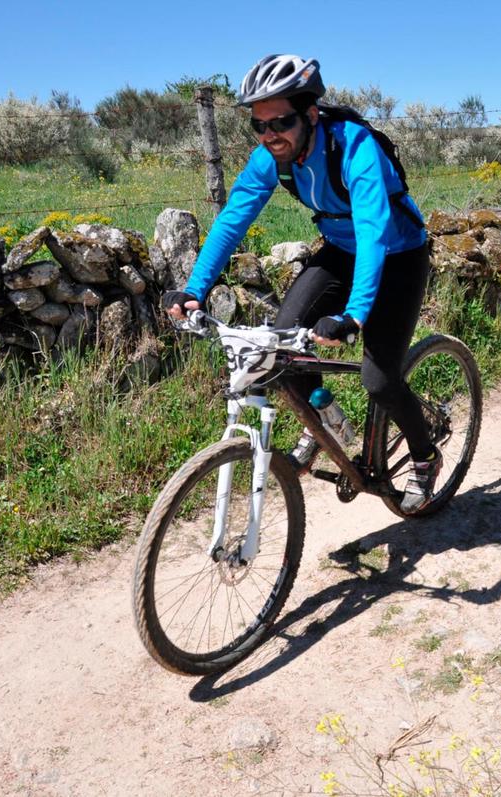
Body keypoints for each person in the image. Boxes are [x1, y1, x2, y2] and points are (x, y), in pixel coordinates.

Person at [163, 53, 440, 512]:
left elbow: (373, 231)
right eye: (259, 125)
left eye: (282, 122)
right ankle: (326, 423)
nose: (270, 134)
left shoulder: (354, 147)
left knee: (379, 379)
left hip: (397, 253)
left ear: (311, 114)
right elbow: (233, 219)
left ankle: (425, 456)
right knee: (284, 344)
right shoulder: (271, 157)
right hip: (340, 250)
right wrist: (195, 289)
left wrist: (353, 315)